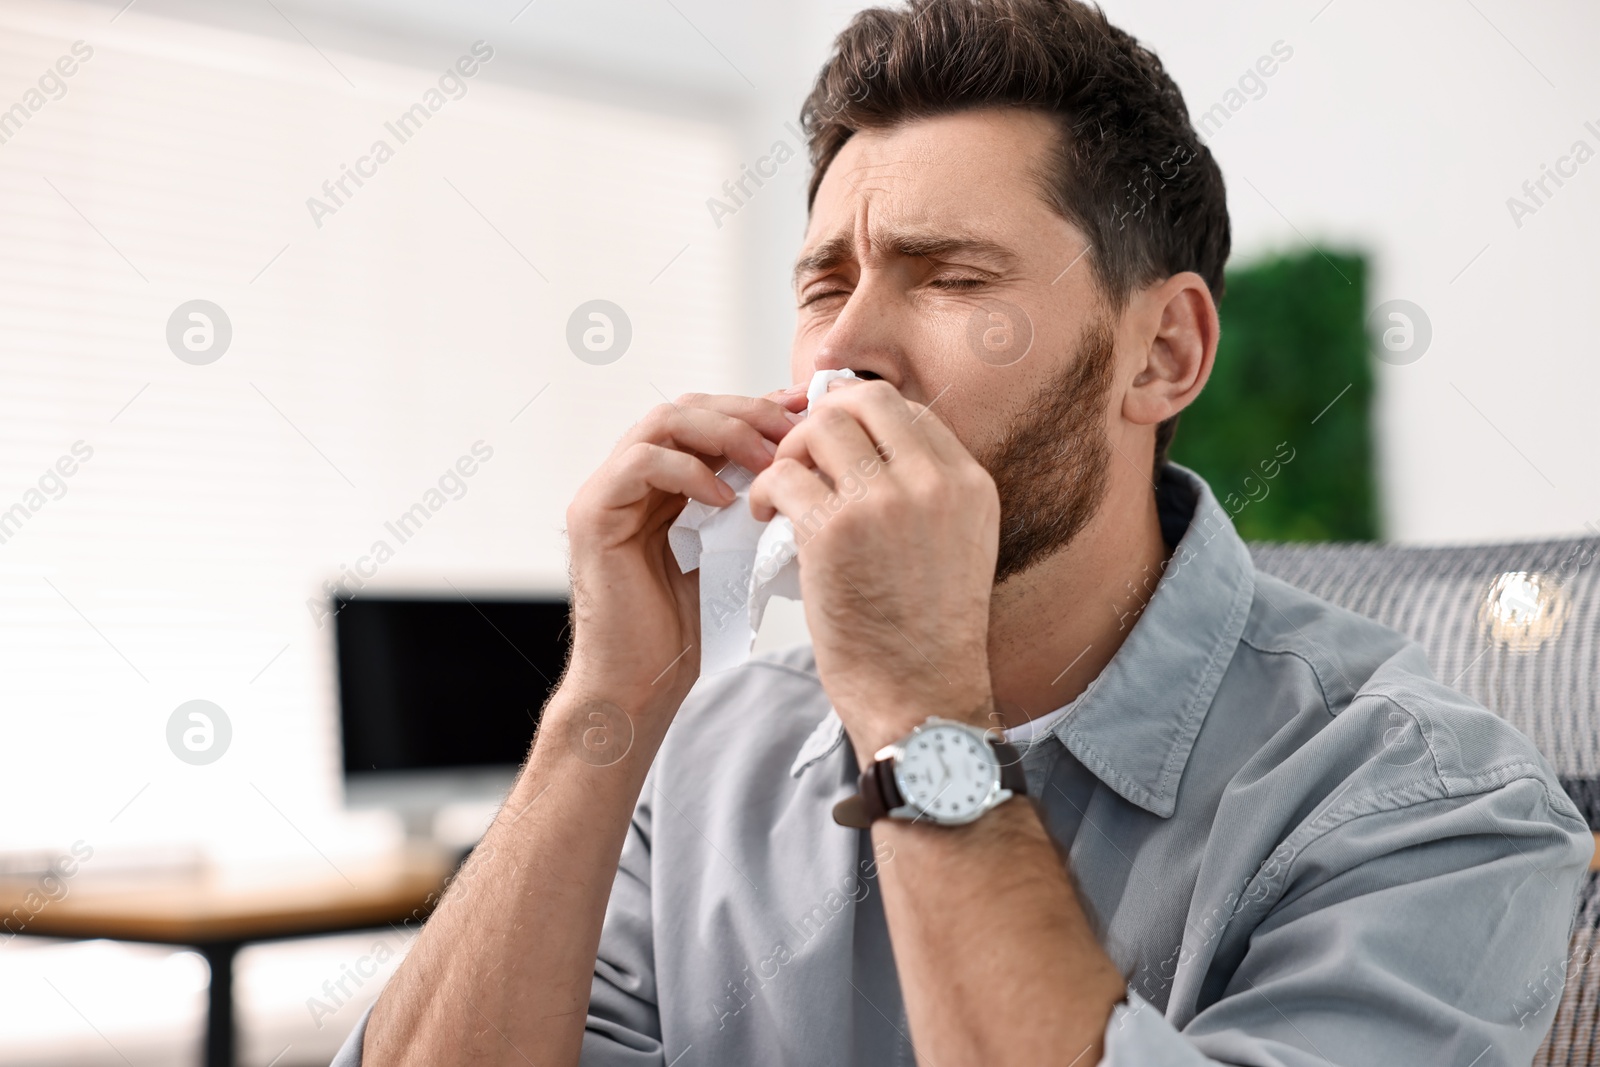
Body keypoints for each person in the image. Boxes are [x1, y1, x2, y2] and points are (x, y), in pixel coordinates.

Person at [335, 1, 1593, 1063]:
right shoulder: (709, 745)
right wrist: (607, 702)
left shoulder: (1429, 801)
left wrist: (918, 717)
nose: (843, 350)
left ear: (1162, 354)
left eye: (951, 278)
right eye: (826, 284)